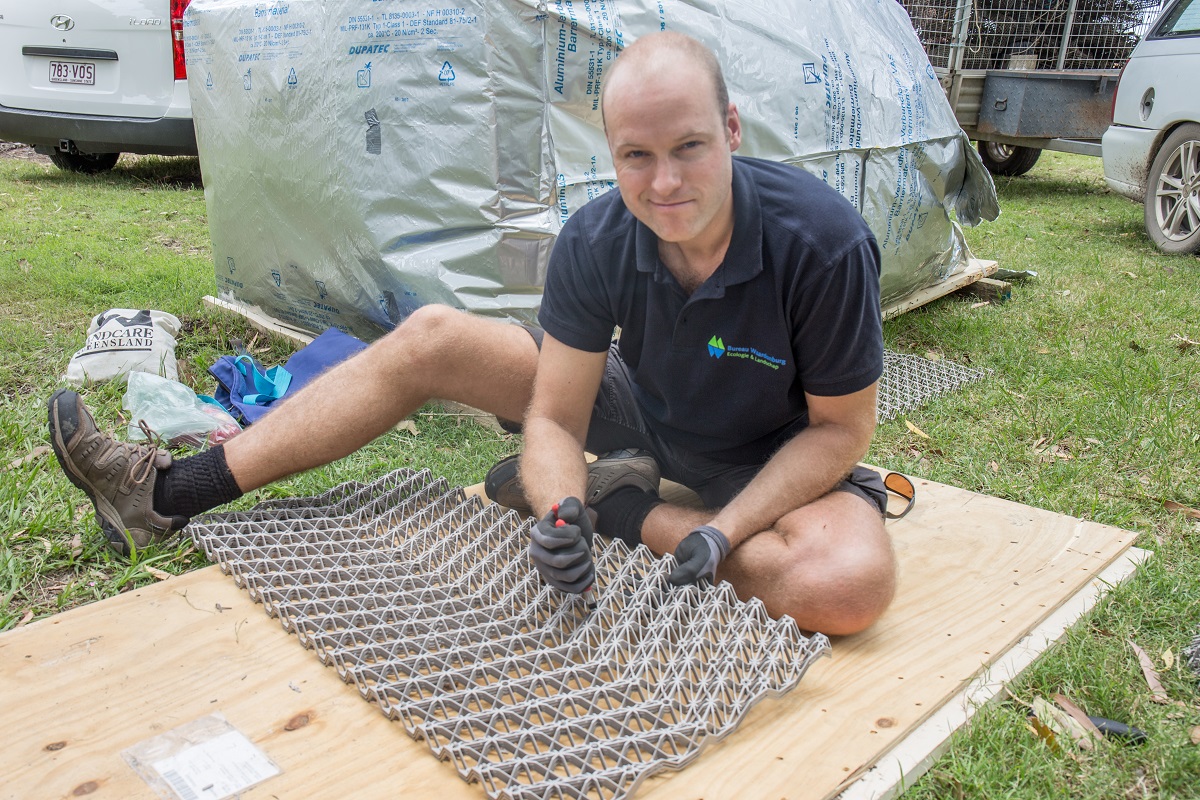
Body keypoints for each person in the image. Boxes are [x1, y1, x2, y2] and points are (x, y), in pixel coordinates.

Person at [48, 31, 894, 636]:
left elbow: (839, 430)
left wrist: (720, 529)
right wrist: (558, 510)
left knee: (846, 586)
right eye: (637, 155)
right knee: (432, 335)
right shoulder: (598, 237)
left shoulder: (821, 243)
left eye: (691, 147)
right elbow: (556, 415)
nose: (664, 182)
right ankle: (169, 495)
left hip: (770, 456)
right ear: (610, 151)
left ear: (733, 131)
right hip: (646, 406)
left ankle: (627, 508)